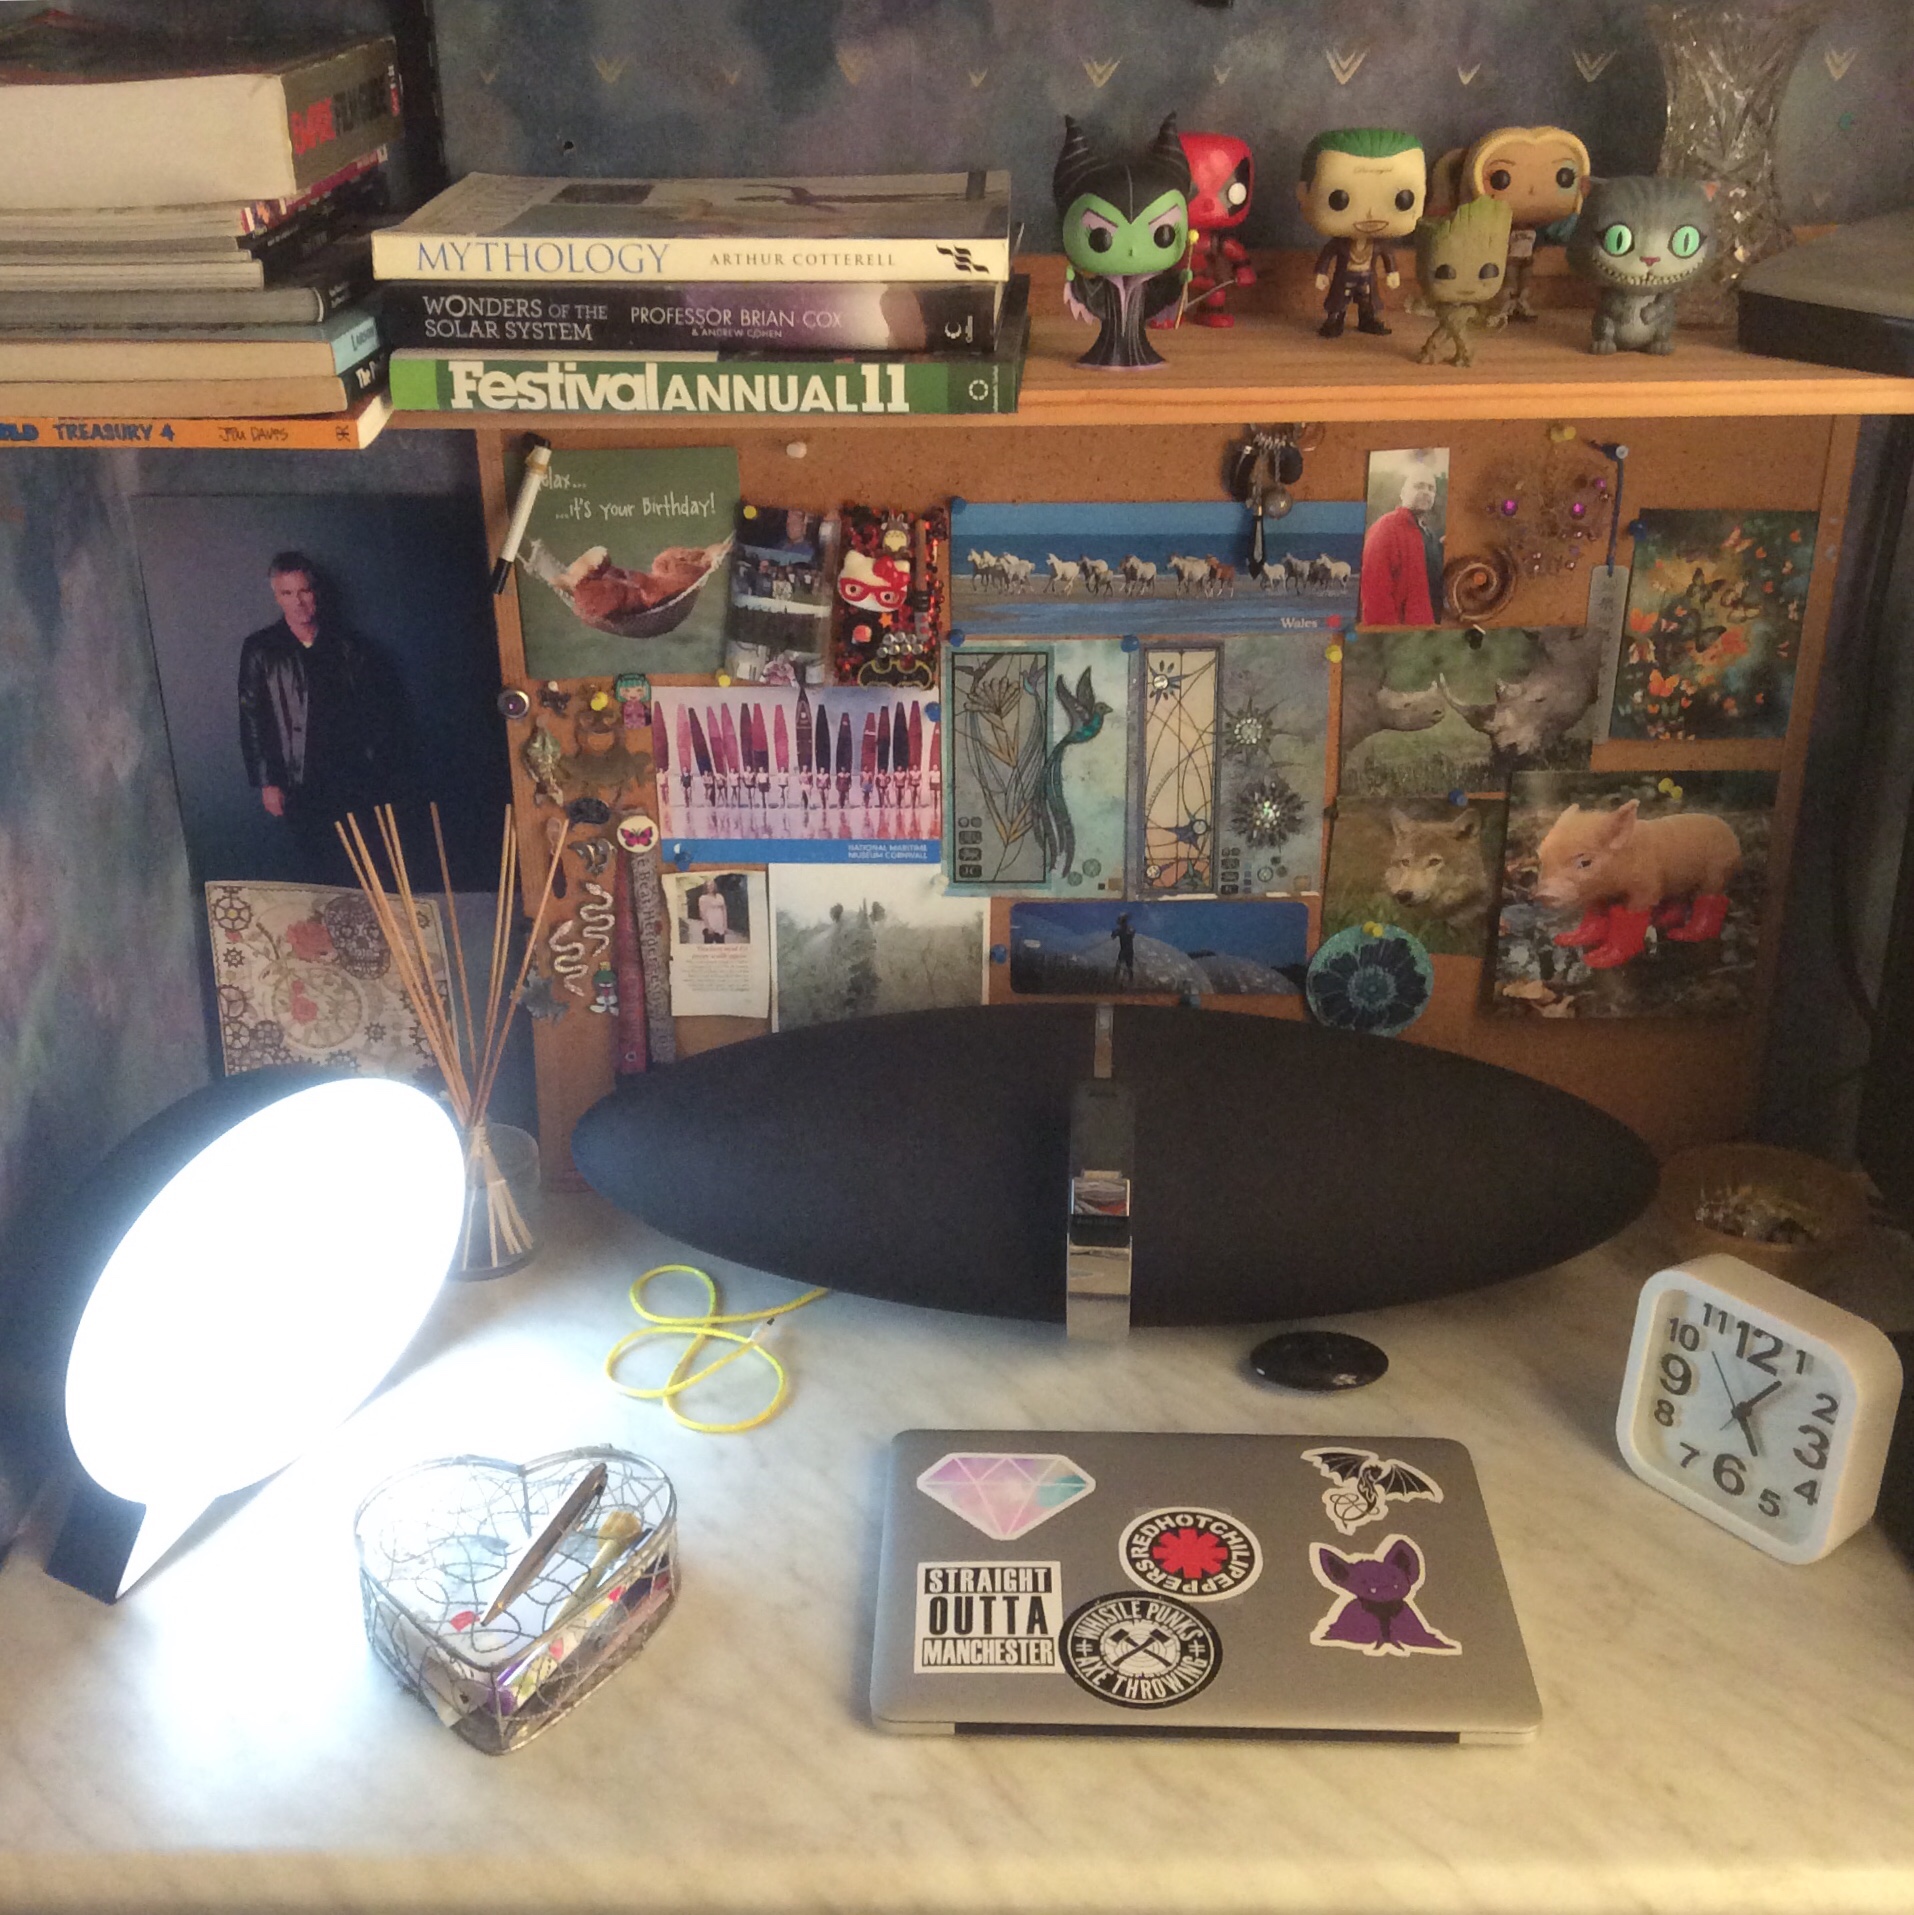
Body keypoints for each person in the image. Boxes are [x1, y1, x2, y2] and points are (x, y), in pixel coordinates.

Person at [237, 551, 409, 879]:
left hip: (350, 774)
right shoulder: (260, 649)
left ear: (315, 592)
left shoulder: (349, 646)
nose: (298, 602)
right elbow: (251, 717)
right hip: (296, 777)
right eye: (288, 593)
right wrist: (267, 782)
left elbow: (375, 712)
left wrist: (378, 769)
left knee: (362, 862)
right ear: (277, 597)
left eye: (304, 591)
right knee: (315, 862)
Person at [1296, 128, 1426, 340]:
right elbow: (1328, 255)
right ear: (1304, 194)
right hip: (1344, 277)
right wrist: (1321, 272)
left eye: (1403, 200)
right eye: (1339, 199)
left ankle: (1368, 320)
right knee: (1338, 301)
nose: (1370, 214)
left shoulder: (1379, 245)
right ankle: (1335, 321)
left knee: (1369, 301)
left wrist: (1392, 272)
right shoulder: (1339, 244)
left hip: (1367, 278)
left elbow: (1387, 256)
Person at [1359, 470, 1441, 626]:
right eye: (1419, 486)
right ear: (1403, 493)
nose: (1426, 492)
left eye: (1431, 489)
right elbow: (1375, 591)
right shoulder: (1386, 528)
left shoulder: (1428, 534)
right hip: (1402, 633)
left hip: (1430, 629)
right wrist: (1388, 633)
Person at [696, 878, 730, 944]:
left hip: (720, 927)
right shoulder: (703, 898)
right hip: (709, 927)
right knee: (708, 947)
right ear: (706, 887)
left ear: (714, 886)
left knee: (721, 947)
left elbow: (724, 910)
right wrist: (708, 927)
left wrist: (725, 925)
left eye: (711, 885)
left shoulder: (720, 896)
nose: (710, 887)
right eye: (708, 886)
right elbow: (702, 914)